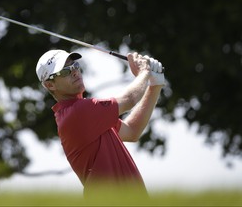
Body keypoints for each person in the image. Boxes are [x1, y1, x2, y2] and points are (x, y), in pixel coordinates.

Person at [36, 49, 164, 197]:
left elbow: (132, 131)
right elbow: (129, 99)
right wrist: (144, 72)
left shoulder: (88, 117)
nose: (75, 72)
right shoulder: (77, 113)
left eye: (75, 66)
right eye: (65, 72)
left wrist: (155, 85)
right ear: (50, 85)